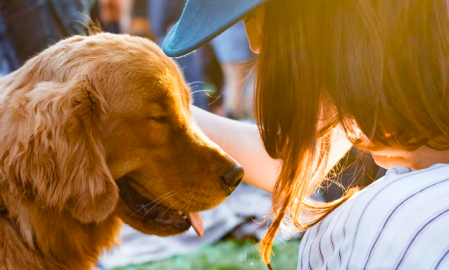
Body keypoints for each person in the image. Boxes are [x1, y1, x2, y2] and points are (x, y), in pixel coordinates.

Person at [162, 0, 449, 269]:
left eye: (251, 17)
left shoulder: (381, 226)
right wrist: (162, 115)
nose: (255, 44)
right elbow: (293, 162)